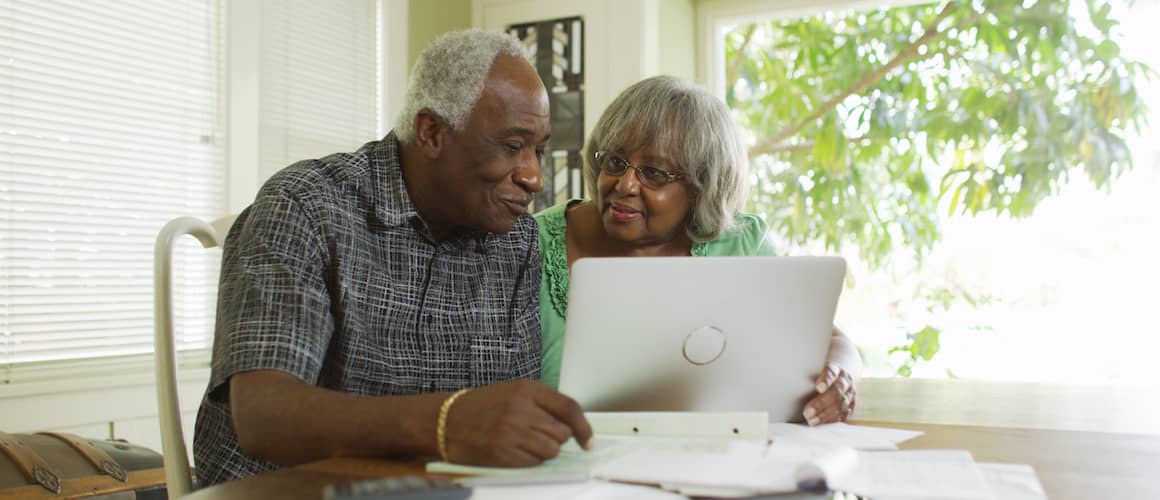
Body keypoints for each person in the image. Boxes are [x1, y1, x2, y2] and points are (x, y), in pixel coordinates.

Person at [192, 29, 592, 487]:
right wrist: (447, 423)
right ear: (431, 133)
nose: (535, 178)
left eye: (538, 151)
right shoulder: (304, 206)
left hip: (433, 490)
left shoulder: (515, 239)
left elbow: (500, 424)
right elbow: (264, 416)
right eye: (511, 146)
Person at [535, 75, 861, 426]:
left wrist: (839, 378)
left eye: (653, 173)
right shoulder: (533, 243)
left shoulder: (740, 244)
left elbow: (831, 340)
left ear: (701, 186)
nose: (624, 184)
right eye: (615, 162)